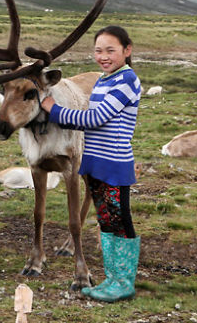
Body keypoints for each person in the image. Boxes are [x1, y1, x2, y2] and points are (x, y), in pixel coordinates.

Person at [40, 25, 142, 302]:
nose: (103, 56)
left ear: (127, 50)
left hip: (113, 163)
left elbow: (95, 119)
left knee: (119, 221)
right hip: (97, 161)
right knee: (107, 221)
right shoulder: (106, 80)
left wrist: (54, 110)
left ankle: (123, 282)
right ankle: (113, 278)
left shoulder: (127, 80)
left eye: (111, 50)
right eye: (98, 50)